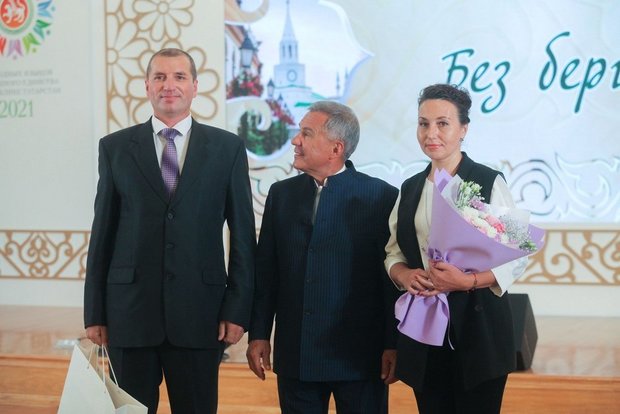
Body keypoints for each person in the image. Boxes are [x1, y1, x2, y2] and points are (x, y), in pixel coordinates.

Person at [83, 48, 256, 414]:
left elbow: (243, 235)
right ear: (147, 86)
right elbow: (103, 234)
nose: (169, 85)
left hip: (201, 314)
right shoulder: (115, 148)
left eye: (179, 77)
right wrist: (94, 312)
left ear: (195, 86)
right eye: (160, 77)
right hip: (129, 314)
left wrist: (238, 309)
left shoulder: (227, 148)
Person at [246, 101, 401, 414]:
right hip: (296, 354)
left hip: (361, 357)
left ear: (336, 148)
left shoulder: (381, 196)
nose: (295, 141)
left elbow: (389, 281)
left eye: (306, 133)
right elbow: (267, 272)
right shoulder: (281, 194)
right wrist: (259, 333)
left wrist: (393, 343)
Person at [384, 83, 526, 414]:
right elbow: (394, 253)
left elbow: (518, 256)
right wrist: (404, 275)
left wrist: (468, 281)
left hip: (479, 331)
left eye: (443, 123)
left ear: (463, 129)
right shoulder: (411, 187)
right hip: (424, 330)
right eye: (423, 123)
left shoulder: (486, 181)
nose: (431, 133)